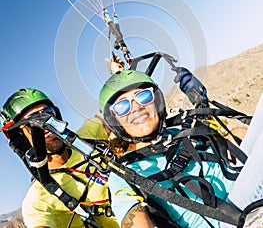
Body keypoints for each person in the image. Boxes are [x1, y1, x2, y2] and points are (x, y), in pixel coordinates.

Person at [99, 69, 263, 228]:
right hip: (229, 219)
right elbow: (135, 220)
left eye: (143, 96)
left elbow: (218, 143)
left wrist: (199, 98)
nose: (136, 107)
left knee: (243, 127)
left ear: (156, 103)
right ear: (116, 123)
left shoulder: (180, 132)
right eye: (122, 107)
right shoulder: (125, 173)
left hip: (242, 184)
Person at [0, 88, 119, 228]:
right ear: (21, 139)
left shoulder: (85, 140)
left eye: (48, 114)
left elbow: (113, 109)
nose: (46, 126)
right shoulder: (37, 201)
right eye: (33, 124)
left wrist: (118, 73)